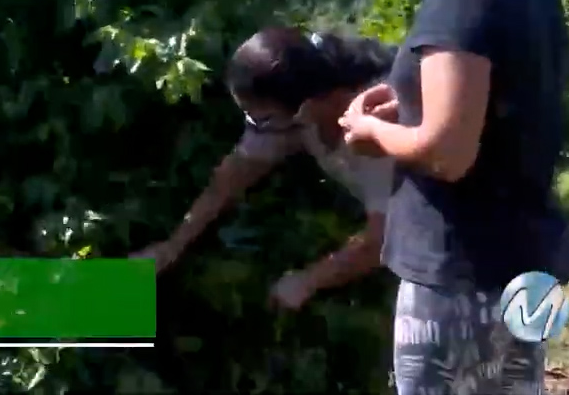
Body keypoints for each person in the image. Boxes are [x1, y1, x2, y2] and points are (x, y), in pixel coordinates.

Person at [337, 0, 569, 395]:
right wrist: (409, 111)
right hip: (526, 257)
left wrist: (372, 134)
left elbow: (448, 153)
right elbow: (500, 110)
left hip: (461, 274)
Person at [134, 27, 397, 311]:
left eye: (263, 119)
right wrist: (172, 245)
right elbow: (235, 173)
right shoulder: (303, 97)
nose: (256, 128)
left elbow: (386, 236)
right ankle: (86, 316)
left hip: (441, 232)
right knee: (88, 316)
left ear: (306, 107)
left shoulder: (381, 122)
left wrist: (309, 280)